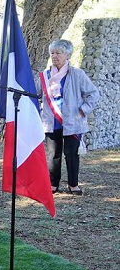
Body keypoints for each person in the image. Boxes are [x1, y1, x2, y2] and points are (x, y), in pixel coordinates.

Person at [39, 39, 99, 196]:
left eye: (58, 53)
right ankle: (53, 184)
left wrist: (83, 110)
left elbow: (93, 94)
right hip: (51, 121)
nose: (54, 56)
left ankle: (73, 185)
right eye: (52, 53)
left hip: (72, 121)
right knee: (53, 154)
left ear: (67, 55)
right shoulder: (44, 76)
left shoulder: (77, 74)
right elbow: (35, 94)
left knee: (71, 154)